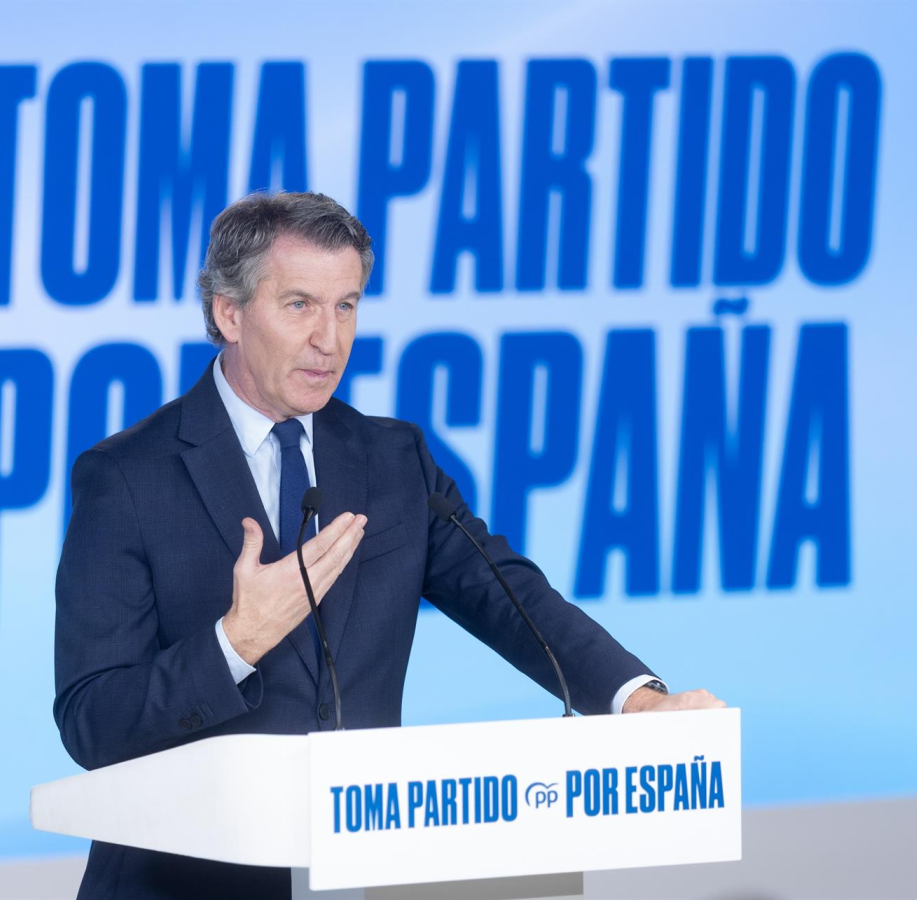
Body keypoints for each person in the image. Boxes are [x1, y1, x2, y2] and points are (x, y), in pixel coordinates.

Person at [54, 191, 725, 900]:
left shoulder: (392, 460)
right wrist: (234, 644)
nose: (330, 339)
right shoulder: (127, 477)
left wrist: (635, 701)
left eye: (346, 306)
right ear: (229, 313)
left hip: (364, 877)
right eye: (299, 305)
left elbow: (511, 598)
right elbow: (92, 722)